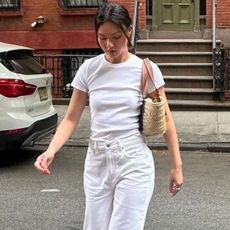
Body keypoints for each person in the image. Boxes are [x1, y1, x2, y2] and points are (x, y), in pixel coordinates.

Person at [34, 2, 183, 230]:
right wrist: (51, 150)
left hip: (132, 159)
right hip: (97, 161)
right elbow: (71, 117)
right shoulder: (89, 69)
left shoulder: (146, 69)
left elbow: (167, 119)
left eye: (116, 36)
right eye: (102, 37)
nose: (109, 45)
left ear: (129, 31)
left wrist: (176, 167)